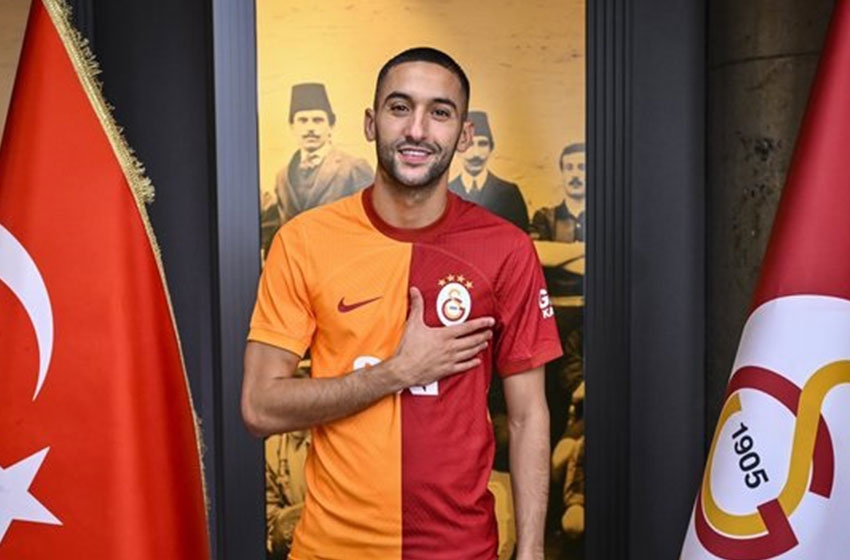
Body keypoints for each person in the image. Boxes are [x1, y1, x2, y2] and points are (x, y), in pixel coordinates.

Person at [243, 47, 562, 560]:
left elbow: (527, 417)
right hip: (331, 549)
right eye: (399, 107)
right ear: (371, 123)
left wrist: (531, 551)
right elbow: (259, 407)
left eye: (440, 112)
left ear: (464, 135)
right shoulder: (304, 241)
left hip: (459, 549)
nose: (417, 129)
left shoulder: (506, 249)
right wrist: (397, 372)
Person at [261, 82, 373, 255]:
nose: (310, 128)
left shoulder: (353, 168)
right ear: (292, 126)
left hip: (341, 262)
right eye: (302, 120)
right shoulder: (282, 176)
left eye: (318, 120)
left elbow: (370, 227)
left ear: (331, 125)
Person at [448, 110, 530, 231]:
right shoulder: (446, 194)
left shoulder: (509, 194)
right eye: (470, 144)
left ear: (491, 148)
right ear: (458, 149)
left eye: (482, 144)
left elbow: (520, 237)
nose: (476, 154)